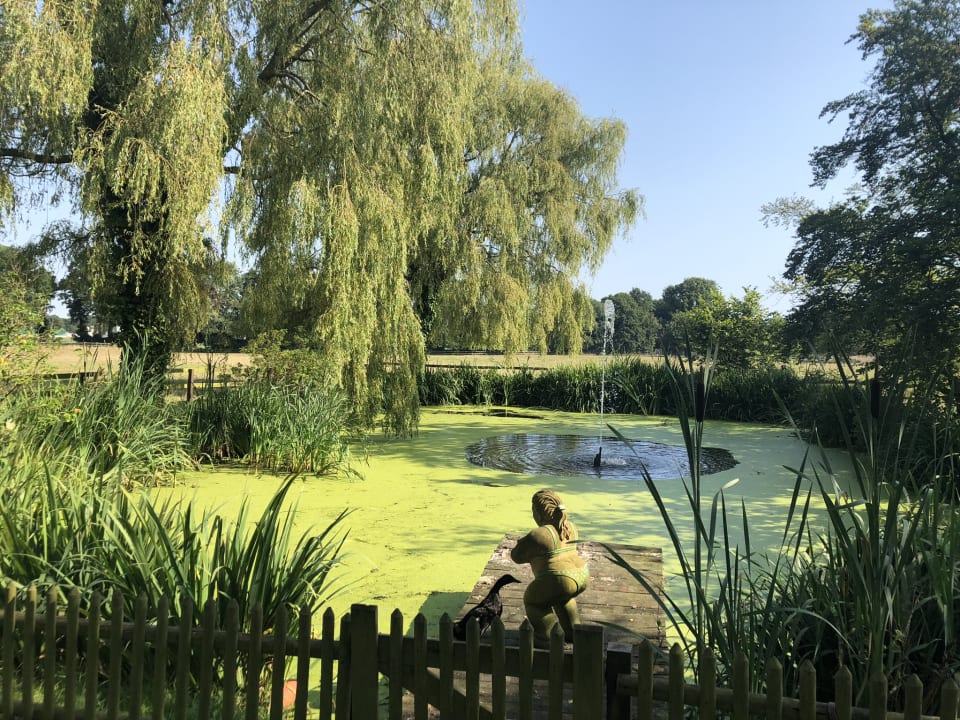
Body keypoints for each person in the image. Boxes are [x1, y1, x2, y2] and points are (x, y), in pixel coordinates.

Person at [510, 489, 589, 645]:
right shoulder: (570, 527)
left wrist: (523, 543)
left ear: (539, 513)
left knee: (533, 602)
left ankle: (548, 638)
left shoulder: (539, 534)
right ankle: (573, 633)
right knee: (563, 598)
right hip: (582, 574)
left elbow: (516, 556)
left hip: (559, 578)